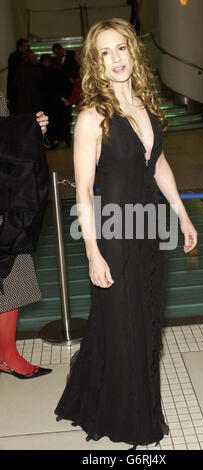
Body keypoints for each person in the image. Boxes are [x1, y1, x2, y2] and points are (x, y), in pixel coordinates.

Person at [54, 18, 197, 450]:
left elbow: (159, 165)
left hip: (150, 228)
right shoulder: (92, 117)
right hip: (114, 233)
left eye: (121, 49)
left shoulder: (147, 105)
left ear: (134, 51)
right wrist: (93, 255)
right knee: (124, 326)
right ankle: (132, 420)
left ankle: (93, 398)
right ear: (95, 63)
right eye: (105, 53)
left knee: (147, 323)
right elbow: (81, 191)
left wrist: (182, 215)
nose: (115, 59)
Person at [0, 91, 52, 379]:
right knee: (13, 270)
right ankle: (7, 356)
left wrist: (30, 130)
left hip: (7, 198)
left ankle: (7, 354)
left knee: (14, 272)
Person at [12, 49, 44, 115]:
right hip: (34, 102)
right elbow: (41, 86)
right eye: (35, 57)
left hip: (21, 102)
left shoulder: (19, 70)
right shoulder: (37, 70)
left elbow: (15, 84)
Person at [7, 38, 29, 113]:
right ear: (20, 47)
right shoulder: (14, 56)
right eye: (25, 46)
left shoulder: (23, 56)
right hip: (15, 88)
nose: (27, 48)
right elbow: (14, 73)